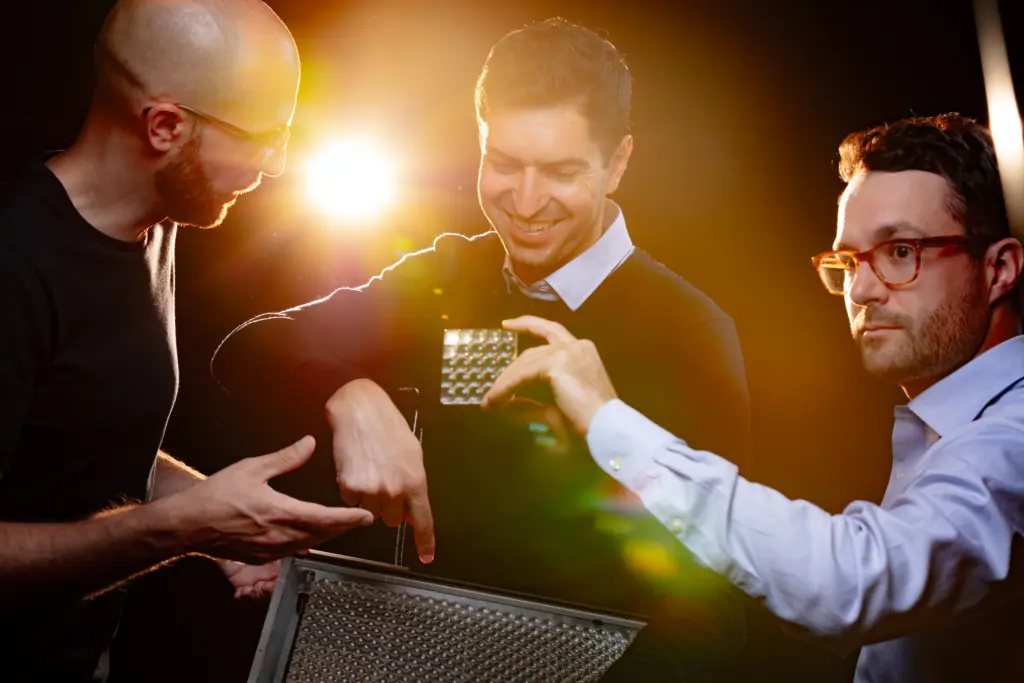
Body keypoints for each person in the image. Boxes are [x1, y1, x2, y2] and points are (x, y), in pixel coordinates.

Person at [213, 17, 751, 680]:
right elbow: (246, 346)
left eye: (560, 171)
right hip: (409, 654)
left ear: (617, 163)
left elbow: (712, 605)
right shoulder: (447, 273)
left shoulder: (691, 332)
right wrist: (350, 394)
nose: (525, 201)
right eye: (504, 164)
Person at [482, 113, 1024, 683]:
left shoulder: (1011, 440)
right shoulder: (940, 428)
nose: (862, 290)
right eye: (848, 261)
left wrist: (606, 419)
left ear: (999, 269)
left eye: (901, 252)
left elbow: (850, 582)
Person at [0, 1, 374, 680]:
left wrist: (220, 520)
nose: (276, 163)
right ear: (165, 126)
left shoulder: (156, 223)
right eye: (263, 136)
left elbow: (86, 439)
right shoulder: (15, 264)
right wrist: (180, 528)